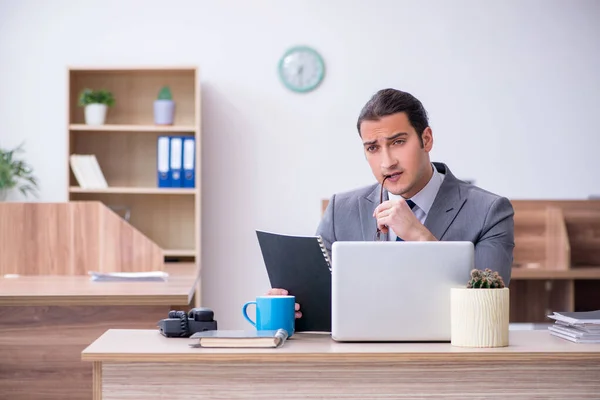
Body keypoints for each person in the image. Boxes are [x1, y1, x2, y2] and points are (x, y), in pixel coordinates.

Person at [269, 88, 515, 320]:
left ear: (426, 139)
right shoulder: (340, 210)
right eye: (373, 148)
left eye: (398, 142)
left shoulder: (489, 211)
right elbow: (322, 303)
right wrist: (295, 306)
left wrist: (421, 238)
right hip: (360, 357)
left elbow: (487, 312)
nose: (387, 162)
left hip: (447, 359)